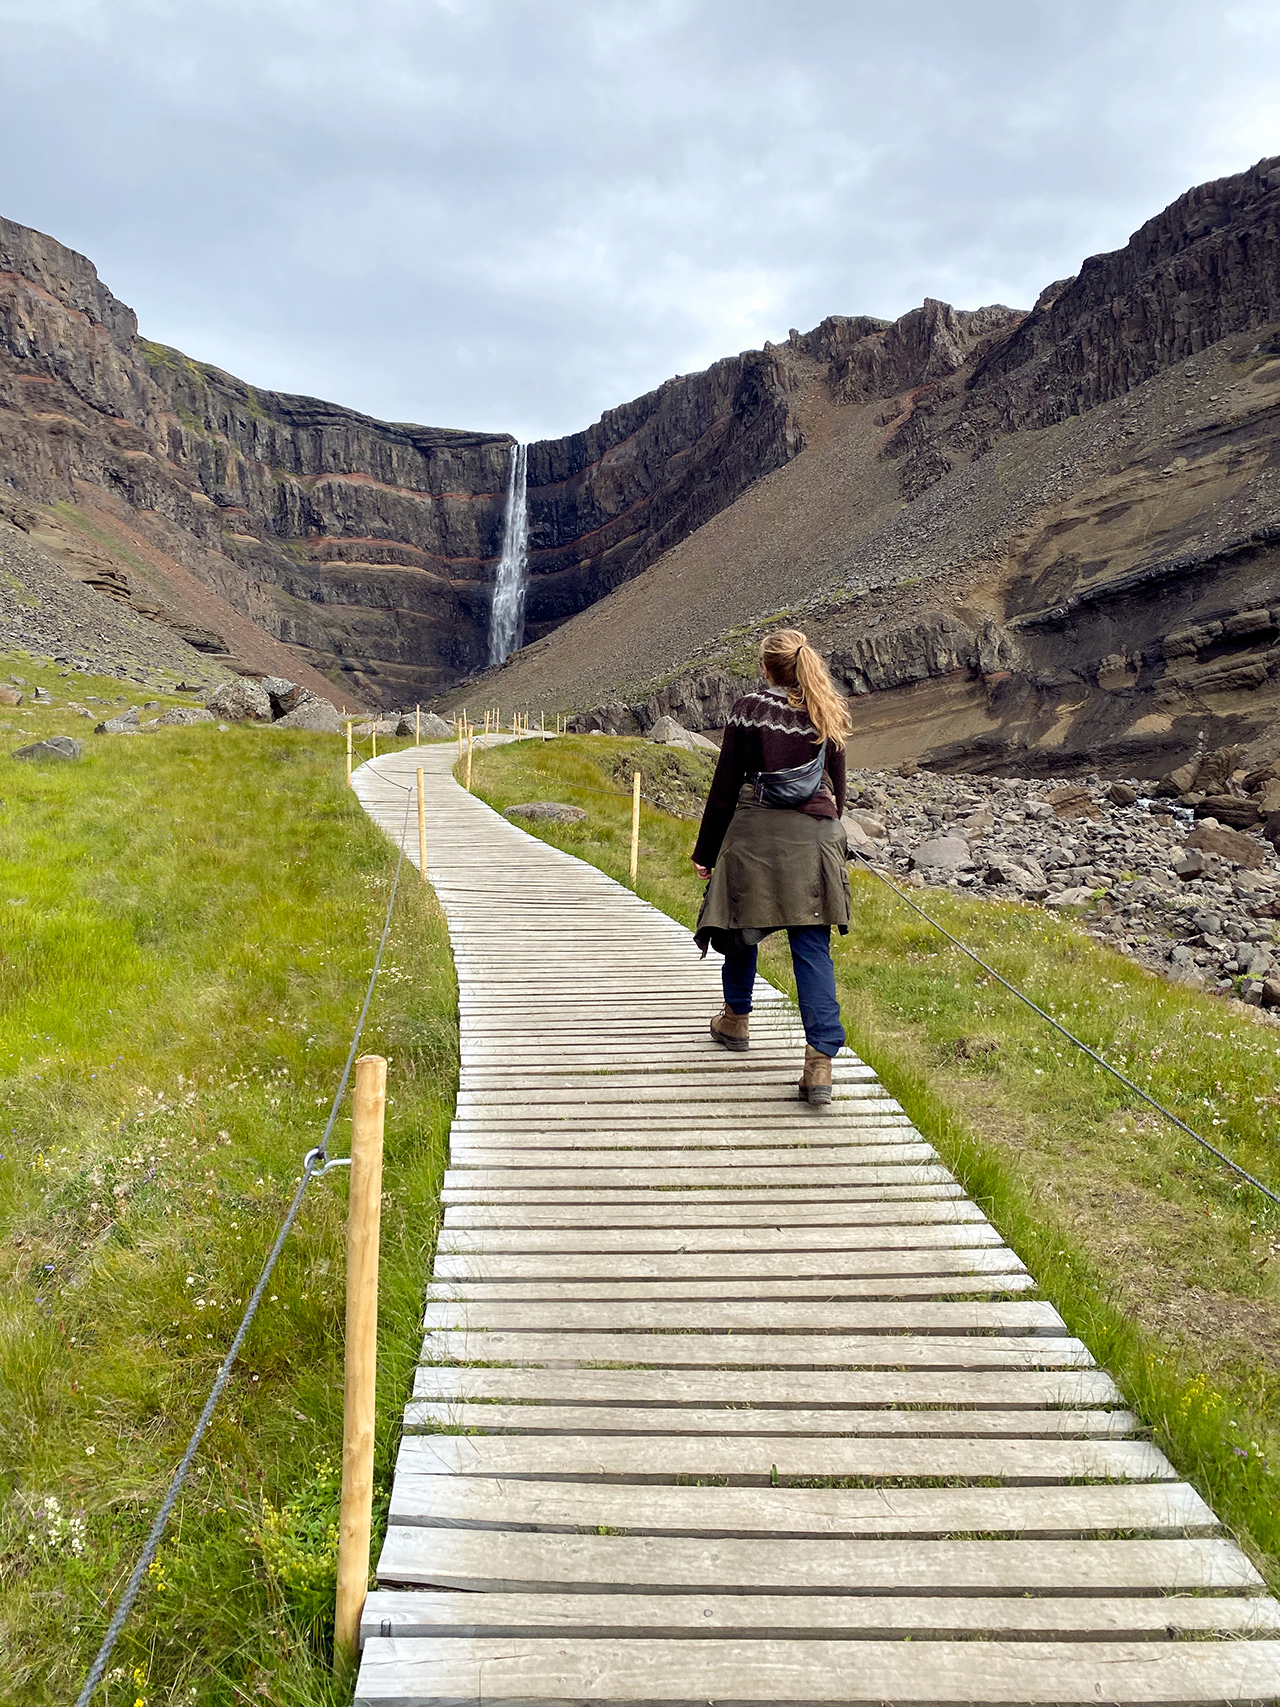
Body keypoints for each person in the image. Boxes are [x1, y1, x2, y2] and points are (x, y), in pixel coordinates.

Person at [692, 629, 852, 1105]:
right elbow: (837, 793)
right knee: (811, 944)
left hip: (754, 834)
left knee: (739, 924)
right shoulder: (828, 709)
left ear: (765, 667)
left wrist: (706, 852)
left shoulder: (748, 709)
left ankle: (736, 1019)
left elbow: (724, 788)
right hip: (816, 837)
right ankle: (819, 1062)